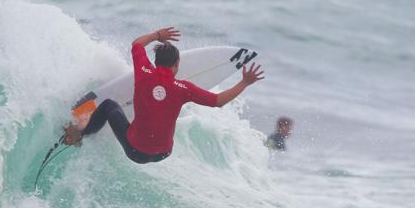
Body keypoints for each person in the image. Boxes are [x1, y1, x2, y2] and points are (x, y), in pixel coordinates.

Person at [63, 27, 265, 163]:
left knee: (108, 105)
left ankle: (80, 135)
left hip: (135, 152)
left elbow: (137, 44)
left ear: (155, 61)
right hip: (163, 154)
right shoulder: (184, 88)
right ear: (177, 64)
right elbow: (218, 101)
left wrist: (157, 35)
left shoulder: (144, 71)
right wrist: (244, 82)